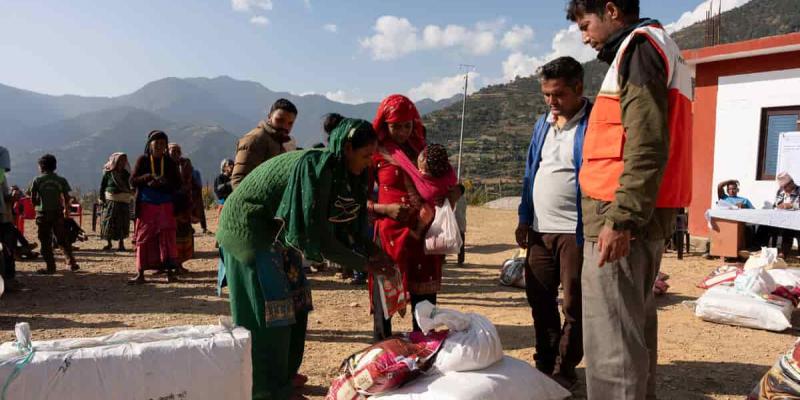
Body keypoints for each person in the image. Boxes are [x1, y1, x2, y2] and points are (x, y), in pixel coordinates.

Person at [567, 1, 692, 398]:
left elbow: (646, 143)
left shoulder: (639, 48)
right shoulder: (657, 47)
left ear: (611, 10)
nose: (584, 36)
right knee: (632, 330)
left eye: (586, 24)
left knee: (611, 343)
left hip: (616, 215)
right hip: (639, 214)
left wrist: (622, 219)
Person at [216, 118, 390, 400]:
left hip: (278, 234)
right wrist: (367, 265)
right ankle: (265, 390)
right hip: (250, 231)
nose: (369, 162)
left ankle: (283, 380)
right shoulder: (316, 169)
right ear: (347, 148)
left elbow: (346, 227)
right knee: (271, 313)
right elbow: (322, 239)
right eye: (366, 155)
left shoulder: (343, 175)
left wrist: (374, 251)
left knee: (297, 304)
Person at [515, 56, 593, 391]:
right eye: (546, 94)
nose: (552, 102)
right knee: (539, 297)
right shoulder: (542, 124)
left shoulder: (594, 124)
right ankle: (544, 362)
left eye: (558, 94)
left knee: (574, 303)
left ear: (578, 88)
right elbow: (531, 170)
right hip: (539, 229)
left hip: (574, 230)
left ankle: (564, 368)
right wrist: (524, 217)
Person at [369, 94, 458, 341]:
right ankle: (383, 352)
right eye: (395, 125)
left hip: (424, 232)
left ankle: (424, 348)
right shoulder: (374, 153)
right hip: (391, 235)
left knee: (425, 303)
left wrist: (456, 192)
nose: (401, 131)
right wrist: (384, 209)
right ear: (384, 124)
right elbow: (359, 199)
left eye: (407, 125)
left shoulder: (424, 151)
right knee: (386, 298)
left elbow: (444, 182)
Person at [129, 130, 182, 284]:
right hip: (146, 205)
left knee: (167, 238)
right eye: (156, 143)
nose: (159, 146)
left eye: (162, 143)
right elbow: (133, 181)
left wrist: (165, 182)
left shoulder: (170, 162)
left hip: (165, 204)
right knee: (143, 238)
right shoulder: (143, 160)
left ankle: (170, 272)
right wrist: (148, 178)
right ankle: (140, 273)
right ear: (149, 144)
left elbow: (178, 183)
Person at [28, 154, 80, 274]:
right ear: (55, 166)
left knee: (45, 240)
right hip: (58, 214)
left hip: (42, 214)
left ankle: (51, 267)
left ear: (41, 167)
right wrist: (66, 209)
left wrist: (37, 205)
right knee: (62, 239)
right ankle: (71, 263)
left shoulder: (37, 180)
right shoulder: (61, 180)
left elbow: (33, 198)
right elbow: (67, 197)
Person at [231, 98, 298, 189]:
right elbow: (239, 181)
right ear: (269, 117)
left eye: (290, 123)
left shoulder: (282, 143)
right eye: (280, 120)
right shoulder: (255, 139)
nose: (285, 127)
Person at [168, 143, 195, 272]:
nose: (176, 154)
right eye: (173, 151)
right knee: (170, 236)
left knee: (183, 235)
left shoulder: (185, 164)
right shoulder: (164, 165)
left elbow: (190, 182)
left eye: (178, 151)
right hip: (169, 206)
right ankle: (166, 265)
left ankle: (179, 264)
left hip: (184, 205)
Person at [99, 153, 133, 252]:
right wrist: (101, 198)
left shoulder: (126, 174)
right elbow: (103, 186)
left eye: (124, 160)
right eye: (120, 160)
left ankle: (121, 244)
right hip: (111, 200)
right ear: (115, 161)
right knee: (110, 221)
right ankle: (108, 243)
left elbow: (129, 186)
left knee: (123, 221)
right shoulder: (108, 173)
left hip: (124, 200)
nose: (122, 162)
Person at [774, 172, 799, 259]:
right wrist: (779, 206)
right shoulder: (780, 191)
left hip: (798, 221)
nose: (784, 189)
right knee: (765, 227)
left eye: (785, 187)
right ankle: (783, 253)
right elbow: (776, 204)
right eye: (782, 187)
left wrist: (792, 205)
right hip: (785, 220)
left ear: (791, 183)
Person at [451, 183, 467, 266]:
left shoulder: (458, 200)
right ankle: (460, 260)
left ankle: (460, 260)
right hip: (457, 224)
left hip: (458, 224)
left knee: (459, 243)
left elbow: (457, 214)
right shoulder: (461, 199)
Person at [191, 168, 208, 234]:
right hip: (194, 193)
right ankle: (203, 227)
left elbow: (198, 185)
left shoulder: (195, 173)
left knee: (199, 210)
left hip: (195, 194)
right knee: (199, 211)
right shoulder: (196, 172)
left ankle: (204, 228)